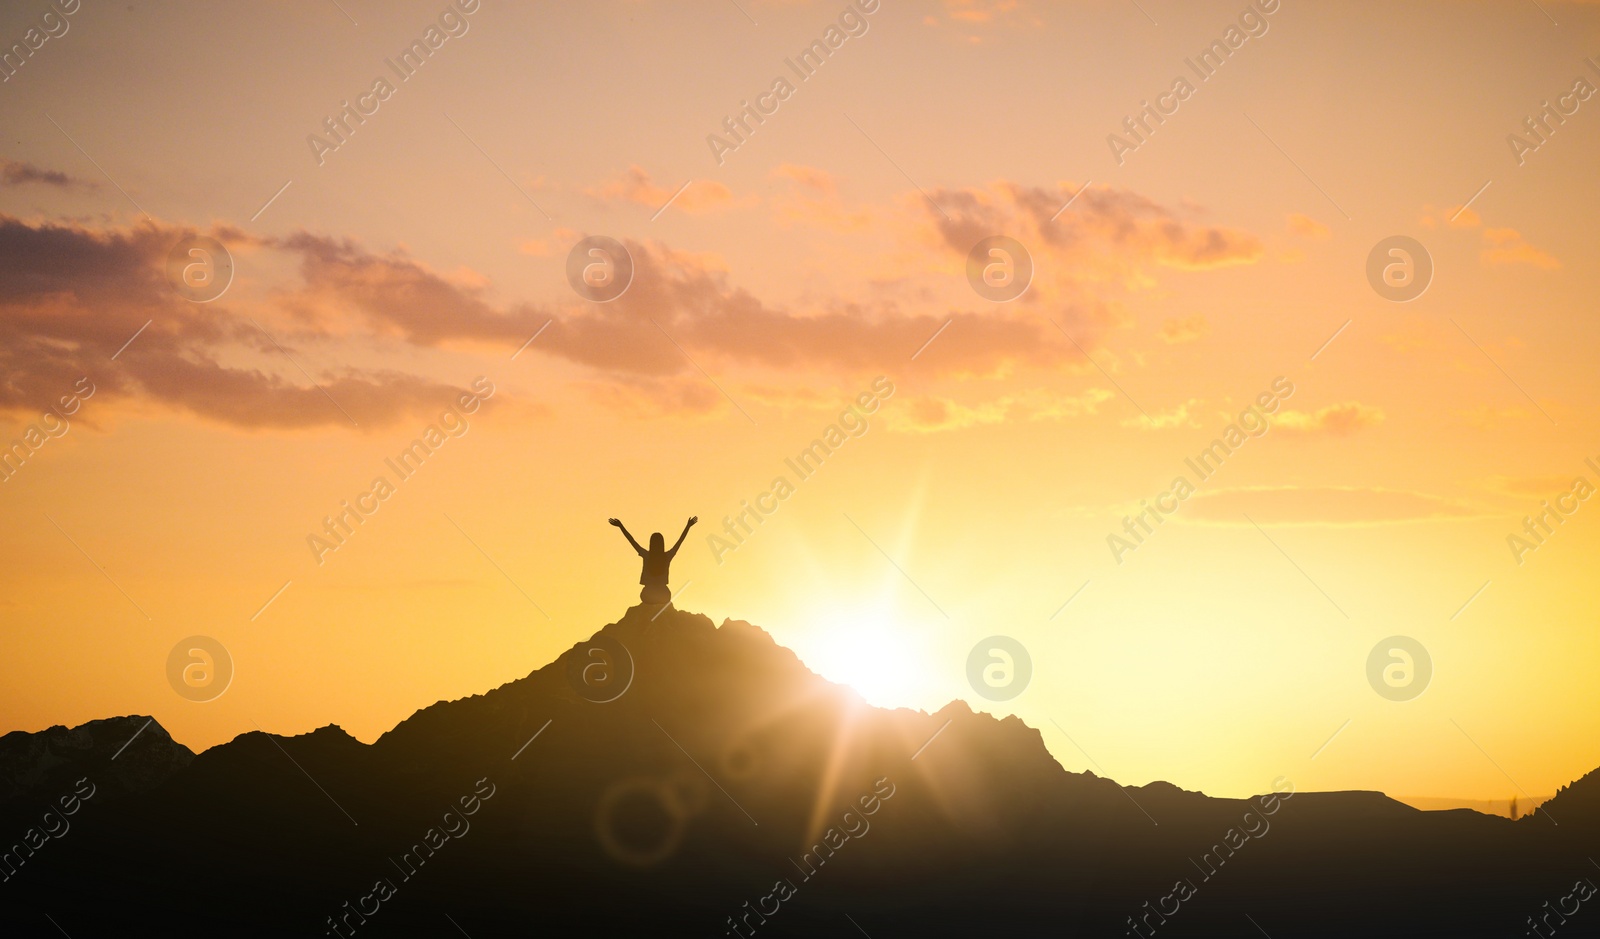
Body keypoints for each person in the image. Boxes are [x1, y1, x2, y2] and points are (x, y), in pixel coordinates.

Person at [609, 516, 696, 604]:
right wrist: (688, 526)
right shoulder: (667, 556)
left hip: (648, 594)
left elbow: (632, 541)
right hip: (663, 594)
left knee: (647, 596)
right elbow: (680, 541)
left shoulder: (647, 555)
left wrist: (621, 526)